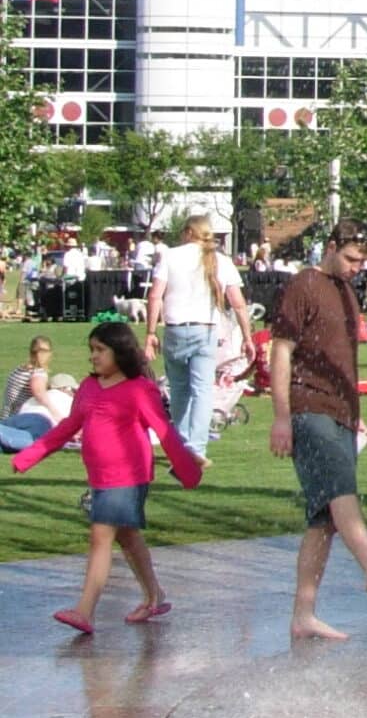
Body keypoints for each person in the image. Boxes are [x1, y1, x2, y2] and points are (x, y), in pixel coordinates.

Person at [7, 321, 201, 633]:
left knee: (101, 535)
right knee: (127, 535)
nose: (94, 356)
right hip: (101, 476)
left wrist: (188, 471)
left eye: (101, 350)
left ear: (120, 352)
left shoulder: (139, 390)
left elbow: (164, 432)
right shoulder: (89, 387)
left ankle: (85, 611)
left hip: (128, 475)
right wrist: (29, 456)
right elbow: (68, 428)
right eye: (91, 350)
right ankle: (154, 595)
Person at [268, 221, 367, 639]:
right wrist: (281, 416)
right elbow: (281, 351)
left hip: (340, 413)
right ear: (330, 247)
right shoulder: (304, 285)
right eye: (351, 258)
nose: (356, 267)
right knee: (340, 491)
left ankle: (303, 614)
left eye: (363, 261)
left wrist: (353, 413)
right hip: (308, 409)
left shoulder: (348, 293)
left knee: (323, 519)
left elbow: (342, 360)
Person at [144, 213, 255, 463]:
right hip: (205, 330)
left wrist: (151, 332)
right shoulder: (221, 261)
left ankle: (183, 443)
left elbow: (155, 296)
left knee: (180, 390)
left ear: (187, 233)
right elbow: (237, 303)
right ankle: (197, 447)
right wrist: (247, 336)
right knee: (203, 390)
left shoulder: (170, 256)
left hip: (175, 328)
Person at [0, 334, 74, 451]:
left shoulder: (19, 370)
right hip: (24, 418)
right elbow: (39, 393)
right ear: (50, 354)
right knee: (31, 442)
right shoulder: (38, 372)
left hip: (7, 418)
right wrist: (55, 413)